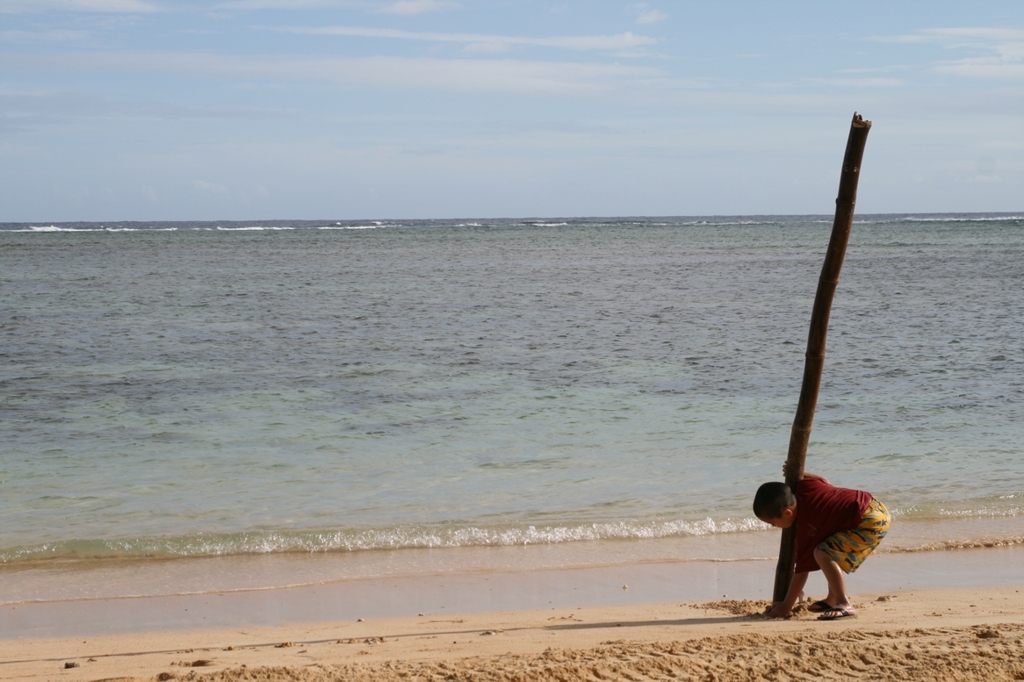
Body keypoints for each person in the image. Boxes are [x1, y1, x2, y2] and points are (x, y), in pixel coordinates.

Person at [753, 467, 890, 620]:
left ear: (787, 513)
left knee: (822, 553)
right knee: (832, 547)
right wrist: (804, 474)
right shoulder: (804, 487)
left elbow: (801, 572)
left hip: (869, 522)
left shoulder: (807, 525)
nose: (773, 527)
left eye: (772, 523)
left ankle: (844, 603)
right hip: (874, 505)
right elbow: (823, 481)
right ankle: (832, 599)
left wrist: (786, 606)